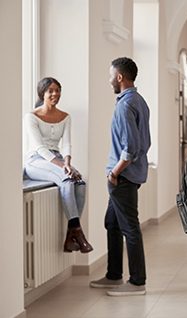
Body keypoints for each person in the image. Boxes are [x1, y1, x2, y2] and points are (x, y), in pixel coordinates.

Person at [89, 57, 151, 297]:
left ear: (119, 77)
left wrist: (115, 172)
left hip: (122, 177)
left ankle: (137, 282)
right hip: (128, 176)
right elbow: (145, 142)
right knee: (112, 223)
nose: (108, 80)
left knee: (129, 228)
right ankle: (114, 275)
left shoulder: (125, 105)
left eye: (110, 75)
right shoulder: (139, 101)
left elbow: (132, 147)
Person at [24, 77, 93, 253]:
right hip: (36, 160)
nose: (55, 94)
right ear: (42, 94)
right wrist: (62, 166)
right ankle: (77, 233)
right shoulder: (31, 117)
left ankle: (72, 233)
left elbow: (67, 144)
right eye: (51, 91)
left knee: (80, 182)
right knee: (67, 179)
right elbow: (39, 147)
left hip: (59, 159)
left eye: (58, 90)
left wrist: (67, 163)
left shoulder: (65, 117)